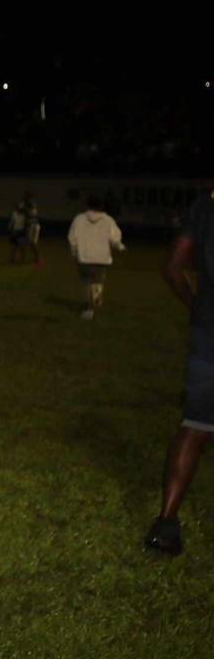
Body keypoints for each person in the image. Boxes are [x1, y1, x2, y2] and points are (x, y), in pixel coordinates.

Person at [144, 189, 214, 555]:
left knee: (196, 426)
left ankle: (166, 522)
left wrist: (197, 307)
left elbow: (173, 268)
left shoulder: (204, 205)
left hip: (209, 333)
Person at [67, 196, 125, 320]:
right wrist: (120, 246)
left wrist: (74, 253)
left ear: (87, 205)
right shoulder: (108, 220)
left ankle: (89, 307)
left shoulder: (79, 219)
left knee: (86, 283)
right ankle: (94, 305)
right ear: (102, 206)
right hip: (101, 258)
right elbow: (115, 238)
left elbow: (72, 238)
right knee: (98, 282)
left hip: (84, 258)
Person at [25, 194, 42, 265]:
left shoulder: (33, 209)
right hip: (32, 226)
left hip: (34, 226)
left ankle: (38, 259)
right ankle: (36, 258)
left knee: (33, 243)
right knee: (32, 244)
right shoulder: (30, 208)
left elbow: (32, 218)